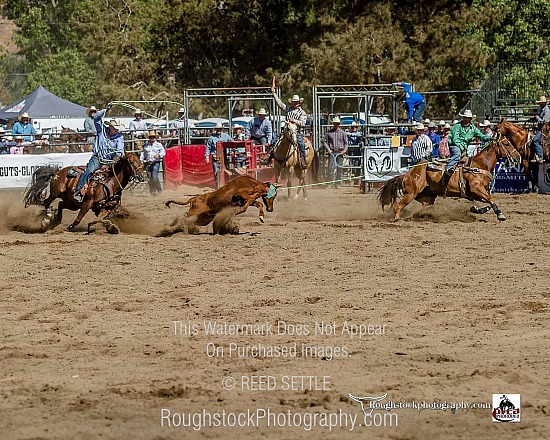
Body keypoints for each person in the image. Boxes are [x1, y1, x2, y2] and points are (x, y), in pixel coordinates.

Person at [74, 105, 125, 202]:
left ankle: (114, 196)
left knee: (117, 177)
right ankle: (78, 191)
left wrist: (115, 158)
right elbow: (97, 117)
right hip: (97, 158)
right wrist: (105, 110)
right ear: (110, 126)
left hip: (110, 161)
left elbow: (120, 150)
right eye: (115, 128)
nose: (116, 130)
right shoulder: (101, 130)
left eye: (117, 128)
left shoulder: (119, 137)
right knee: (89, 171)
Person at [443, 109, 490, 185]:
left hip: (464, 148)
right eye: (465, 117)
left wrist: (489, 138)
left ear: (470, 119)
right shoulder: (457, 126)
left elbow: (481, 136)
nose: (466, 119)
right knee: (457, 155)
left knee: (468, 162)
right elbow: (455, 139)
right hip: (455, 146)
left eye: (467, 118)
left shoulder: (473, 128)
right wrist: (462, 149)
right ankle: (448, 171)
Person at [271, 88, 308, 168]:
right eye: (294, 102)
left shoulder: (302, 112)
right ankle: (269, 157)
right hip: (286, 131)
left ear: (299, 102)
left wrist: (294, 120)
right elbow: (280, 104)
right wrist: (274, 93)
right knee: (274, 141)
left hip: (296, 131)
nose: (295, 103)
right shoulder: (288, 109)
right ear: (292, 102)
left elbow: (303, 123)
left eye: (297, 102)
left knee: (301, 144)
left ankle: (303, 160)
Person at [322, 116, 348, 187]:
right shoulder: (329, 133)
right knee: (331, 168)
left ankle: (337, 183)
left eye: (337, 123)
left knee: (339, 168)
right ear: (333, 124)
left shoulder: (343, 133)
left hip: (340, 152)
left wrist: (344, 151)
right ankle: (330, 183)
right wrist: (328, 149)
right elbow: (324, 141)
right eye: (335, 123)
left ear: (339, 124)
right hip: (332, 152)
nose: (336, 125)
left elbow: (346, 143)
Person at [205, 122, 232, 189]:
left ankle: (225, 184)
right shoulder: (211, 138)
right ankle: (218, 185)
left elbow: (232, 142)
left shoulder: (226, 136)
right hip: (216, 157)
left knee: (226, 170)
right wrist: (207, 156)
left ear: (221, 129)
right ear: (216, 129)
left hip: (225, 157)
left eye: (220, 129)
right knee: (216, 172)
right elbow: (208, 147)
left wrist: (231, 150)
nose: (219, 130)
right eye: (217, 129)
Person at [140, 131, 165, 196]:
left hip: (155, 162)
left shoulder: (158, 145)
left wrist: (159, 155)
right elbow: (143, 153)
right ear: (149, 138)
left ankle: (159, 189)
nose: (152, 138)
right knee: (149, 178)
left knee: (154, 177)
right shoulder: (146, 145)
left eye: (153, 137)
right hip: (148, 162)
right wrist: (141, 159)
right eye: (151, 137)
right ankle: (153, 191)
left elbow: (163, 152)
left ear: (155, 137)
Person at [531, 96, 549, 163]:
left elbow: (545, 122)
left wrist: (537, 118)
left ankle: (541, 157)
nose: (540, 104)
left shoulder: (547, 110)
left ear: (544, 103)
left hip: (544, 129)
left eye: (541, 103)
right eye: (540, 103)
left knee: (535, 140)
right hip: (540, 128)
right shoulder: (541, 109)